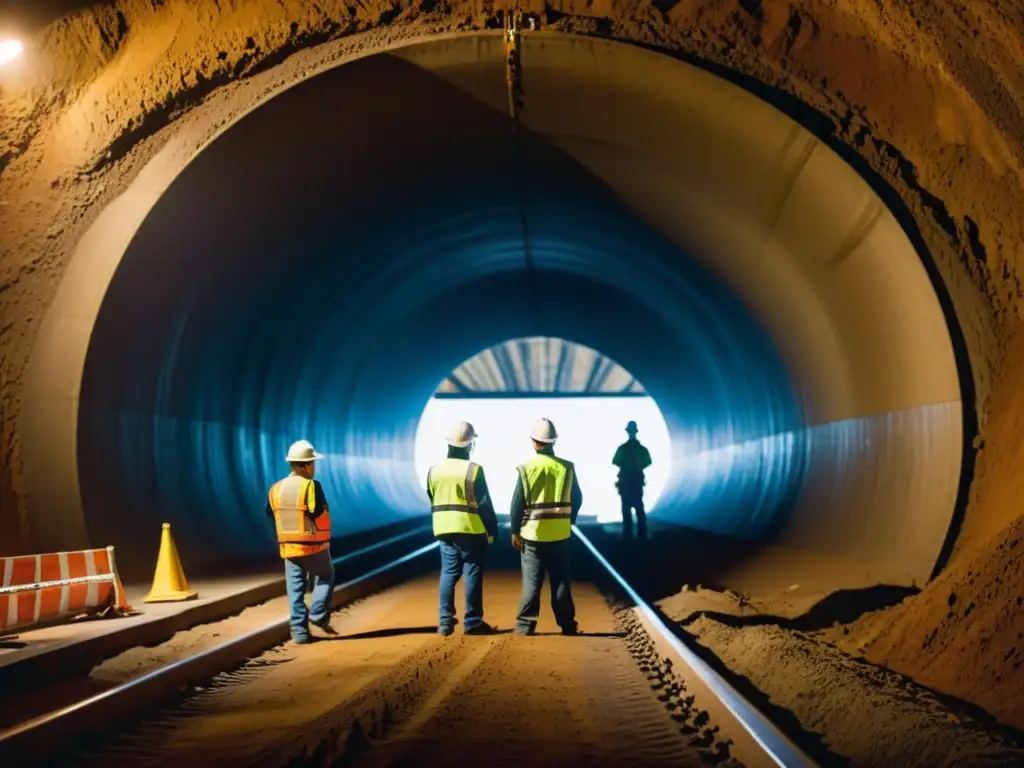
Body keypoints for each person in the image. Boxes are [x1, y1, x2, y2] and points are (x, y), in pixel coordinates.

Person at [509, 417, 583, 636]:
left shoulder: (526, 468)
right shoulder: (567, 467)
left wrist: (515, 530)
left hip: (532, 535)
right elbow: (577, 497)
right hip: (559, 535)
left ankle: (525, 626)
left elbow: (517, 503)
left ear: (534, 442)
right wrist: (569, 521)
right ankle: (567, 624)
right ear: (553, 441)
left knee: (532, 582)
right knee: (560, 581)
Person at [426, 421, 499, 636]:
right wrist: (492, 530)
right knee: (472, 572)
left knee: (448, 573)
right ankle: (473, 621)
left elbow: (432, 496)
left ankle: (445, 622)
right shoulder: (474, 470)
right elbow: (484, 504)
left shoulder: (434, 470)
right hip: (470, 529)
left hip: (443, 528)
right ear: (469, 445)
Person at [266, 440, 337, 645]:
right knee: (326, 575)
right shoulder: (311, 486)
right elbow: (316, 511)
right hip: (312, 545)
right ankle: (317, 614)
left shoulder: (276, 488)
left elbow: (269, 512)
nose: (314, 467)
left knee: (295, 589)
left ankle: (300, 633)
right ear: (305, 465)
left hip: (289, 547)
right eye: (312, 463)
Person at [613, 420, 652, 539]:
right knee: (639, 507)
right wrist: (637, 467)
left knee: (626, 508)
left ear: (628, 432)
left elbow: (615, 461)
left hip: (625, 481)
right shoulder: (642, 449)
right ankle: (642, 533)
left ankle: (628, 534)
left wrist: (627, 467)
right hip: (636, 481)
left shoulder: (622, 448)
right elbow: (648, 462)